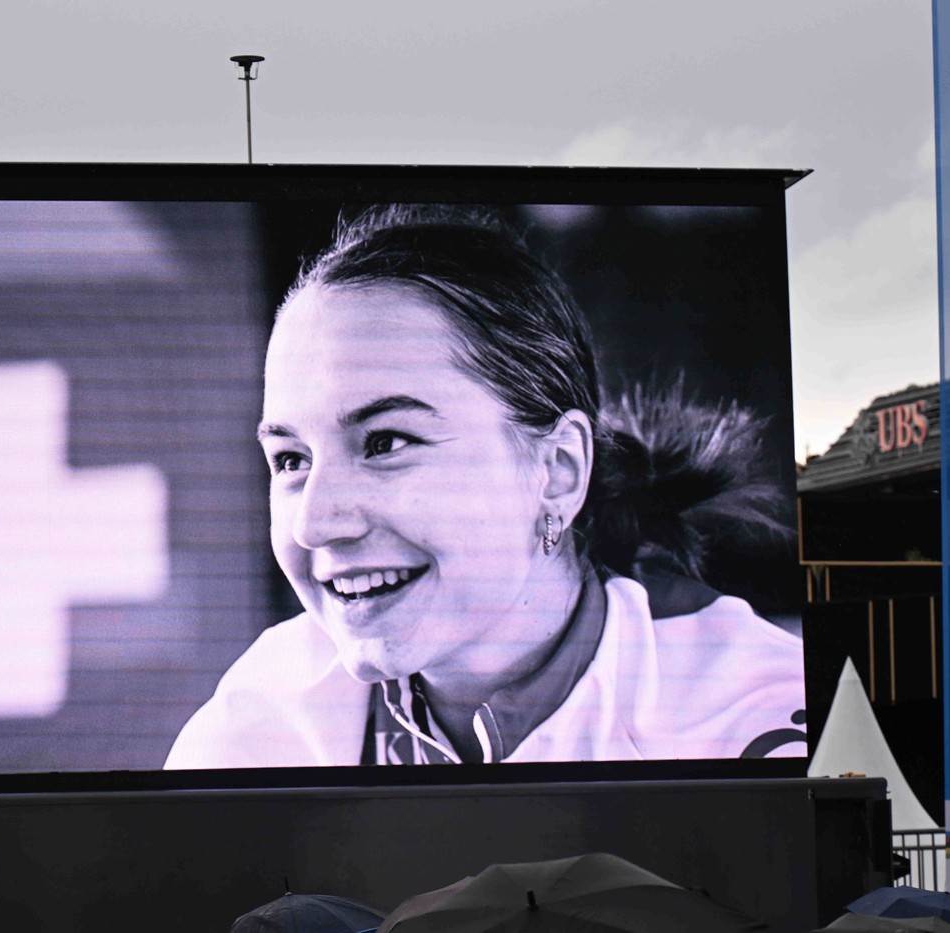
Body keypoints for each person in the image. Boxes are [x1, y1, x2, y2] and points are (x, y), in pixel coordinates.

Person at [165, 205, 805, 768]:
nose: (315, 522)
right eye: (291, 460)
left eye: (386, 442)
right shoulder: (264, 722)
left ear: (557, 471)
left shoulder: (753, 719)